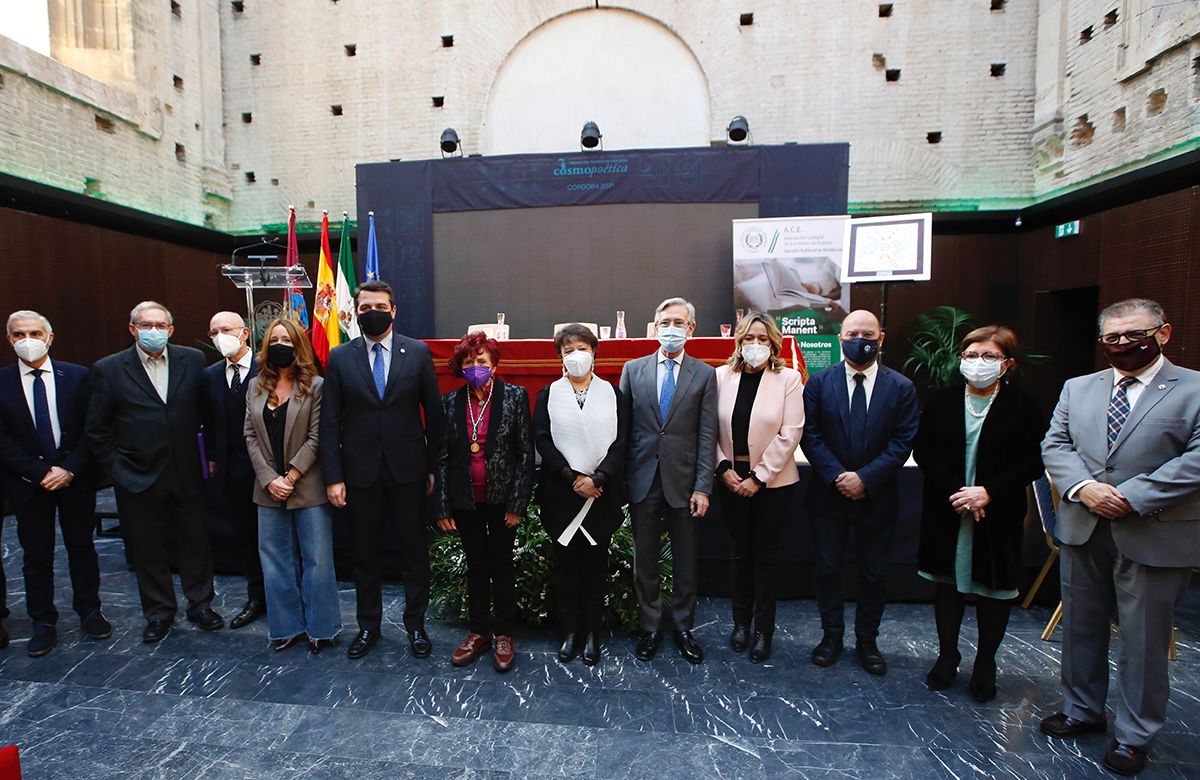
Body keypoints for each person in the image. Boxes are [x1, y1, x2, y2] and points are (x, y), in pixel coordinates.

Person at [1039, 298, 1200, 776]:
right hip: (1084, 524)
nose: (1123, 345)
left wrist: (1130, 495)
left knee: (1145, 640)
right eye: (1112, 338)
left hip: (1153, 529)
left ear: (1163, 334)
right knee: (1082, 627)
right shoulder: (1078, 387)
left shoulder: (1193, 388)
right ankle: (1081, 710)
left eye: (1134, 335)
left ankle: (1134, 736)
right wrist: (1085, 488)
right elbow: (1055, 443)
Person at [914, 326, 1044, 702]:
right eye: (971, 355)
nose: (978, 363)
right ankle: (947, 654)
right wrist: (959, 492)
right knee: (948, 584)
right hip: (948, 506)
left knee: (994, 589)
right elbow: (924, 451)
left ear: (1008, 364)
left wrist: (989, 492)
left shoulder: (1024, 405)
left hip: (997, 511)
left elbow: (1034, 460)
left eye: (989, 356)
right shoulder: (942, 400)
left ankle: (986, 662)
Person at [320, 280, 444, 660]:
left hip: (408, 469)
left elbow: (434, 415)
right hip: (360, 473)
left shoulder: (418, 352)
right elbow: (330, 421)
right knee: (365, 554)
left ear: (393, 311)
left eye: (379, 305)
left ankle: (416, 625)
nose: (371, 312)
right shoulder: (340, 357)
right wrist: (334, 476)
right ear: (355, 312)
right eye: (364, 306)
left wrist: (434, 467)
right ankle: (368, 626)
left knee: (413, 553)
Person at [86, 301, 222, 643]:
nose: (154, 331)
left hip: (187, 469)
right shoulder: (109, 369)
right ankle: (159, 613)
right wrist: (118, 469)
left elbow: (207, 412)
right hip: (137, 474)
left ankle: (201, 604)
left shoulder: (192, 360)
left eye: (161, 326)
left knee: (195, 542)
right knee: (148, 548)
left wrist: (210, 458)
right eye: (147, 325)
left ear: (171, 330)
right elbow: (99, 430)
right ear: (132, 329)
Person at [800, 308, 918, 675]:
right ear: (840, 339)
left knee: (874, 573)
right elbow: (811, 436)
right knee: (828, 568)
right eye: (853, 334)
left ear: (881, 339)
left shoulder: (901, 387)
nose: (860, 341)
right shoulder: (819, 383)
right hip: (828, 495)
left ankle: (868, 640)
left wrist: (864, 478)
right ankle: (831, 636)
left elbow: (903, 441)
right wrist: (839, 476)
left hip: (878, 496)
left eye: (868, 335)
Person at [0, 310, 109, 656]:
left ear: (49, 338)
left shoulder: (77, 377)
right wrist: (37, 472)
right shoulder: (1, 382)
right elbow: (2, 439)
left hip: (74, 478)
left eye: (34, 333)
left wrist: (69, 469)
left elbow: (92, 428)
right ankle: (43, 621)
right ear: (10, 340)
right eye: (19, 334)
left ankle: (90, 611)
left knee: (82, 547)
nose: (27, 340)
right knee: (36, 553)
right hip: (28, 483)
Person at [619, 297, 717, 664]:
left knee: (685, 559)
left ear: (691, 329)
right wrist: (623, 483)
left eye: (679, 322)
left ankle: (683, 626)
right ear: (655, 327)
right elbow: (624, 431)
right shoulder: (633, 370)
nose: (671, 328)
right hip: (643, 479)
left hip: (685, 481)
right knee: (644, 558)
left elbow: (707, 435)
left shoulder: (705, 374)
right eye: (665, 322)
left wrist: (703, 486)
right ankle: (650, 627)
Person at [434, 331, 534, 673]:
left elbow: (525, 455)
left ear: (494, 364)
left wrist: (517, 504)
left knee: (502, 566)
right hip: (466, 500)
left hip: (502, 500)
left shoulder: (515, 397)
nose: (475, 367)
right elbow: (442, 458)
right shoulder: (449, 403)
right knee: (477, 566)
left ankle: (504, 633)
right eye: (468, 361)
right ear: (460, 366)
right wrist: (443, 505)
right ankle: (478, 632)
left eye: (481, 361)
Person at [243, 319, 340, 654]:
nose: (280, 344)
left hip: (308, 486)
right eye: (274, 339)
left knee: (317, 560)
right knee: (275, 560)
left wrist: (291, 476)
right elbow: (250, 435)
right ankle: (286, 627)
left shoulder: (316, 386)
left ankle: (322, 627)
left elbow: (318, 437)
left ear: (298, 345)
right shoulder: (255, 385)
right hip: (266, 488)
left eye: (287, 339)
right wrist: (270, 478)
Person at [535, 324, 628, 666]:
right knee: (566, 568)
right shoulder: (549, 394)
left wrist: (599, 477)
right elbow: (542, 439)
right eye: (567, 350)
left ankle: (592, 633)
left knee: (595, 569)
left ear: (594, 352)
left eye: (581, 348)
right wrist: (572, 475)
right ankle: (570, 631)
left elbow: (622, 442)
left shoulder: (612, 393)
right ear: (560, 357)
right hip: (564, 492)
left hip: (600, 493)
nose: (575, 356)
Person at [713, 312, 804, 664]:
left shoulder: (788, 379)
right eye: (749, 339)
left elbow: (790, 432)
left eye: (762, 340)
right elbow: (706, 428)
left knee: (765, 556)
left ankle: (764, 630)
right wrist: (723, 469)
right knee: (739, 552)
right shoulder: (720, 376)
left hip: (774, 483)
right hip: (729, 480)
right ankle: (740, 623)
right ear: (738, 342)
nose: (755, 345)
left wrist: (758, 477)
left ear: (773, 344)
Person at [202, 311, 266, 630]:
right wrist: (213, 459)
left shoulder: (266, 368)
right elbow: (210, 424)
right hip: (231, 472)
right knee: (246, 538)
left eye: (225, 329)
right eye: (213, 332)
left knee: (275, 539)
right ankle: (256, 597)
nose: (219, 336)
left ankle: (285, 597)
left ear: (243, 333)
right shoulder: (210, 375)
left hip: (266, 470)